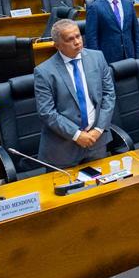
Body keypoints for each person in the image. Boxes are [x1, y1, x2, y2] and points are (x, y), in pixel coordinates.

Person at [34, 19, 116, 167]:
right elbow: (46, 112)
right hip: (63, 149)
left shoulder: (97, 58)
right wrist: (77, 135)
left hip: (96, 141)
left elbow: (108, 95)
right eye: (70, 39)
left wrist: (98, 129)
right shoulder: (44, 72)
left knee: (100, 187)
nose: (77, 42)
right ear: (57, 45)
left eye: (78, 36)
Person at [84, 0, 139, 64]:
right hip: (108, 59)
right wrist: (97, 62)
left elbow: (136, 33)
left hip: (130, 56)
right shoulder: (95, 7)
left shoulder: (128, 4)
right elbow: (91, 38)